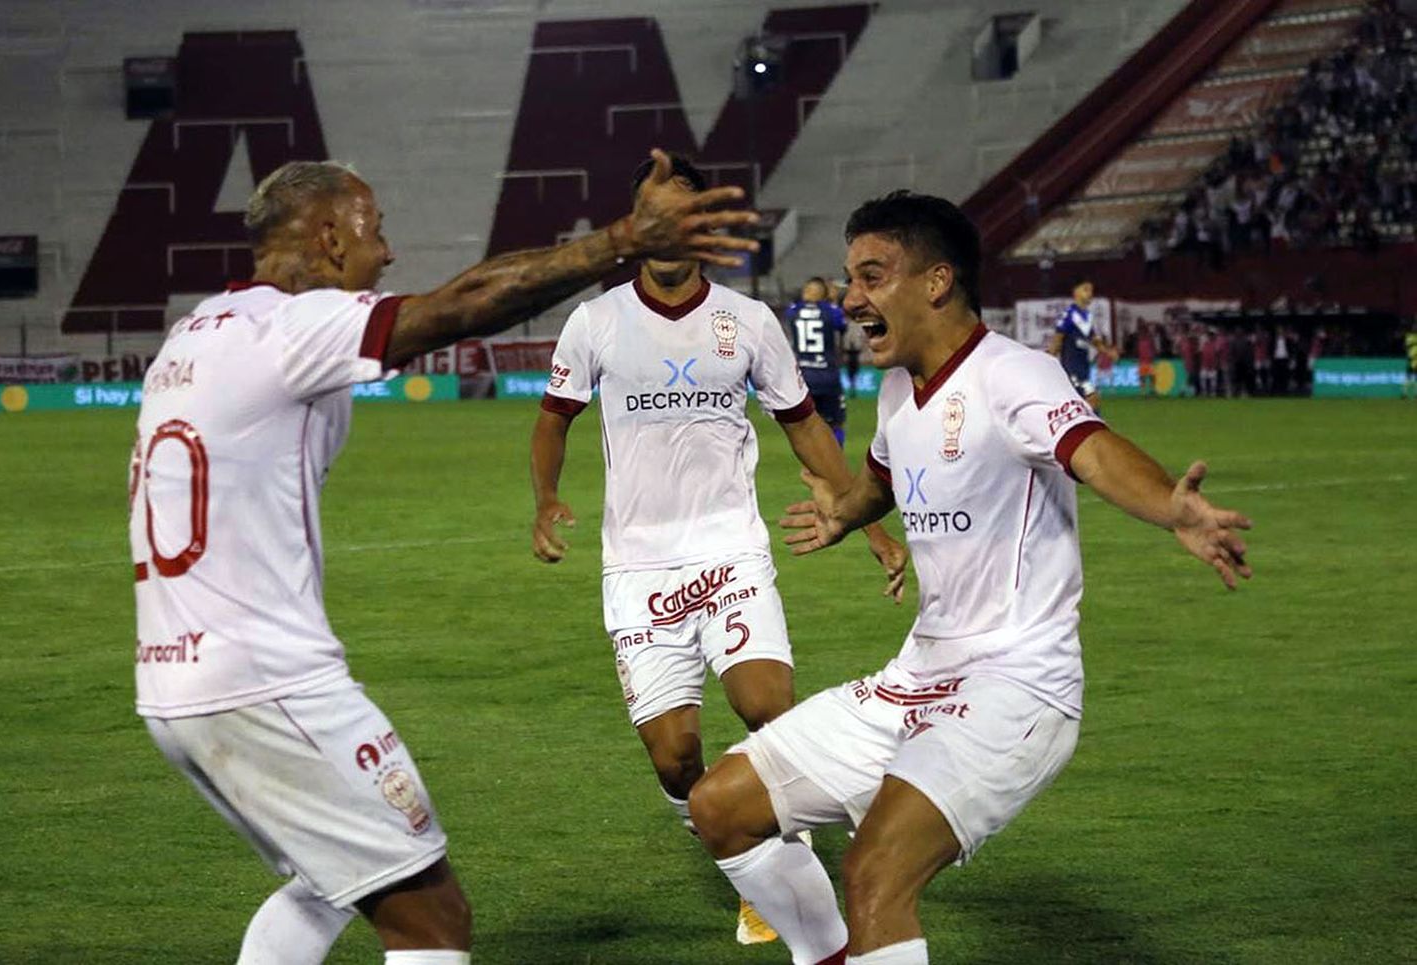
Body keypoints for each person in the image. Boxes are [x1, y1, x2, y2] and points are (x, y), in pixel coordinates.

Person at [129, 151, 762, 965]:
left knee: (329, 881)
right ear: (327, 237)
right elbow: (459, 307)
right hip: (268, 678)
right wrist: (622, 240)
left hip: (174, 682)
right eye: (374, 232)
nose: (384, 254)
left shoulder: (196, 335)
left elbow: (463, 286)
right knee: (432, 918)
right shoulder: (287, 328)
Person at [686, 191, 1253, 965]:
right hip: (917, 677)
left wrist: (1171, 508)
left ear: (936, 281)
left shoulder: (1013, 374)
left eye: (872, 276)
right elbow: (881, 479)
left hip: (1016, 687)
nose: (852, 298)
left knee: (876, 872)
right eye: (849, 278)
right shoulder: (895, 393)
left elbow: (1089, 448)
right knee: (720, 806)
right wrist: (845, 516)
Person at [530, 154, 909, 949]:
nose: (665, 230)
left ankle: (782, 872)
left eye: (680, 213)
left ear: (703, 228)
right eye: (651, 213)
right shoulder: (596, 322)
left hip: (731, 553)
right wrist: (546, 500)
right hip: (637, 567)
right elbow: (554, 417)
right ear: (636, 226)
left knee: (767, 706)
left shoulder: (750, 321)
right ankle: (748, 854)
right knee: (676, 758)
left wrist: (866, 520)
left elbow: (804, 423)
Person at [786, 277, 850, 445]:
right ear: (824, 295)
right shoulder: (831, 311)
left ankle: (810, 468)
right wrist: (833, 301)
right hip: (828, 375)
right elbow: (842, 326)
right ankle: (834, 464)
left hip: (803, 377)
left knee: (806, 425)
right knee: (835, 423)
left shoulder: (793, 311)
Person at [1045, 279, 1111, 412]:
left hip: (1083, 369)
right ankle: (1093, 428)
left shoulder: (1087, 316)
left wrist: (1107, 352)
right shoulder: (1069, 314)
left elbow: (1093, 339)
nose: (1090, 293)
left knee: (1084, 403)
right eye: (1086, 289)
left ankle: (1087, 428)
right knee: (1092, 398)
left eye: (1091, 290)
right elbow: (1058, 338)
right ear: (1075, 292)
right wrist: (1048, 360)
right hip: (1072, 368)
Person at [1135, 322, 1156, 397]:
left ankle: (1152, 390)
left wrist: (1152, 356)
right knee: (1143, 377)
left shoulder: (1149, 340)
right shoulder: (1139, 341)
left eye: (1143, 330)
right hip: (1143, 361)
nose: (1142, 332)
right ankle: (1143, 392)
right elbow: (1138, 351)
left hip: (1148, 361)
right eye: (1141, 331)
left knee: (1151, 376)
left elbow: (1153, 349)